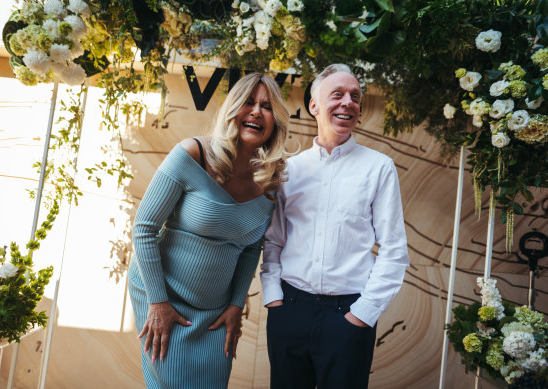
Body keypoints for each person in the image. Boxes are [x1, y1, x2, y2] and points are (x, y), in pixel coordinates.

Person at [128, 72, 290, 389]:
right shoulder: (192, 155)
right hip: (163, 299)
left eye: (266, 106)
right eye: (248, 102)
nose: (256, 111)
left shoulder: (270, 179)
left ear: (275, 122)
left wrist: (235, 306)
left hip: (216, 315)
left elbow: (250, 249)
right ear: (233, 109)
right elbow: (144, 228)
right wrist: (158, 303)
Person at [261, 63, 409, 389]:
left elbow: (394, 250)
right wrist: (274, 299)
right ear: (314, 105)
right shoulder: (289, 170)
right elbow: (273, 241)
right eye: (337, 94)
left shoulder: (379, 168)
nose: (348, 103)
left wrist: (362, 315)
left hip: (349, 315)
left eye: (355, 97)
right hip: (290, 310)